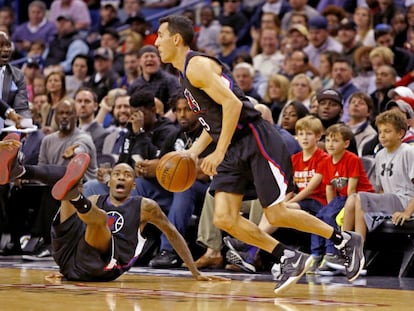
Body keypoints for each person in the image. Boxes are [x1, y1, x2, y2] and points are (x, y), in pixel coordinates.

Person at [155, 15, 365, 294]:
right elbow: (214, 119)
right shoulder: (184, 74)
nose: (156, 42)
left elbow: (233, 105)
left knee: (276, 213)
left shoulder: (197, 66)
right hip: (231, 146)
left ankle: (343, 240)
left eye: (160, 35)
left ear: (176, 39)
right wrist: (193, 152)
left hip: (254, 139)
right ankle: (287, 256)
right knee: (224, 218)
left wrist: (217, 152)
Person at [0, 141, 225, 283]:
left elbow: (173, 233)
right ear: (109, 182)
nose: (121, 177)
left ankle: (73, 195)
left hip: (106, 266)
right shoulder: (98, 197)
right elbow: (71, 234)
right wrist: (67, 269)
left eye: (127, 175)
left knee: (98, 220)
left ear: (134, 185)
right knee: (70, 180)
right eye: (117, 173)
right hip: (70, 260)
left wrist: (195, 271)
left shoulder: (145, 206)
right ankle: (20, 171)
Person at [311, 124, 375, 275]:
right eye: (327, 141)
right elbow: (330, 188)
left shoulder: (352, 159)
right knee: (320, 216)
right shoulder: (326, 161)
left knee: (329, 215)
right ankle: (316, 255)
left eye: (335, 141)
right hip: (341, 197)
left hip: (359, 197)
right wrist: (330, 207)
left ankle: (332, 254)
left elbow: (352, 189)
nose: (330, 145)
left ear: (346, 144)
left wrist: (336, 209)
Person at [342, 109, 414, 242]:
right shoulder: (380, 155)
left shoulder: (408, 151)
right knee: (352, 198)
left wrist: (407, 213)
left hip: (406, 202)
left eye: (387, 131)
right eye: (380, 132)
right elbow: (381, 190)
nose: (382, 136)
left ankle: (358, 249)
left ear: (400, 133)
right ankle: (345, 247)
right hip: (389, 201)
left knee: (361, 199)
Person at [0, 31, 31, 130]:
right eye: (1, 46)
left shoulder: (17, 75)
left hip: (6, 131)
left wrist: (25, 123)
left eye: (8, 45)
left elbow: (21, 107)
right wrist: (9, 112)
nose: (6, 50)